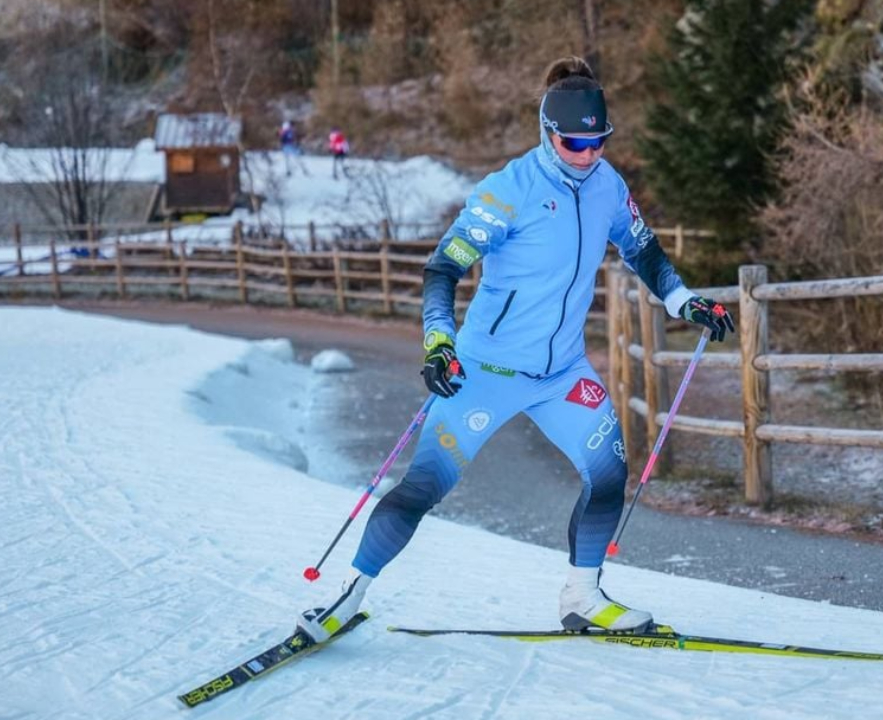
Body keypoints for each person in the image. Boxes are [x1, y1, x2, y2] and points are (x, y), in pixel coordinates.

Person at [298, 57, 735, 641]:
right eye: (574, 142)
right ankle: (347, 600)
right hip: (484, 368)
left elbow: (644, 251)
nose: (587, 155)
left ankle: (583, 597)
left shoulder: (608, 185)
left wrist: (684, 301)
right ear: (546, 133)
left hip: (562, 372)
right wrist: (439, 343)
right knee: (423, 487)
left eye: (598, 142)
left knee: (608, 473)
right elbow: (442, 269)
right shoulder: (509, 190)